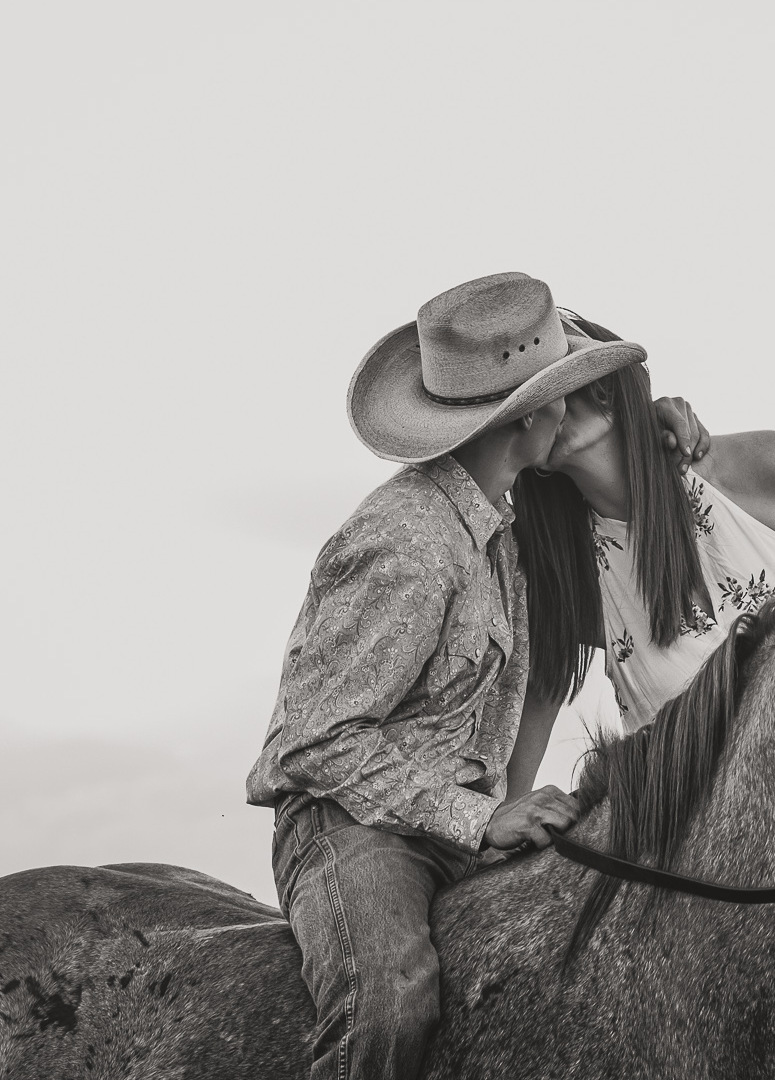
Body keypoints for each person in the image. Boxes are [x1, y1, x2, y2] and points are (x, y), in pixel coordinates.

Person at [245, 272, 650, 1080]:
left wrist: (670, 424)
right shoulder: (410, 542)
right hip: (354, 827)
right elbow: (314, 742)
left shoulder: (503, 518)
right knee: (393, 1002)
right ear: (527, 415)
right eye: (561, 394)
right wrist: (481, 819)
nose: (570, 413)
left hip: (445, 827)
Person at [501, 312, 775, 795]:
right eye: (536, 398)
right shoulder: (566, 577)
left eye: (575, 377)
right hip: (713, 854)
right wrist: (498, 822)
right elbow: (515, 771)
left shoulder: (769, 465)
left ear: (612, 385)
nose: (561, 403)